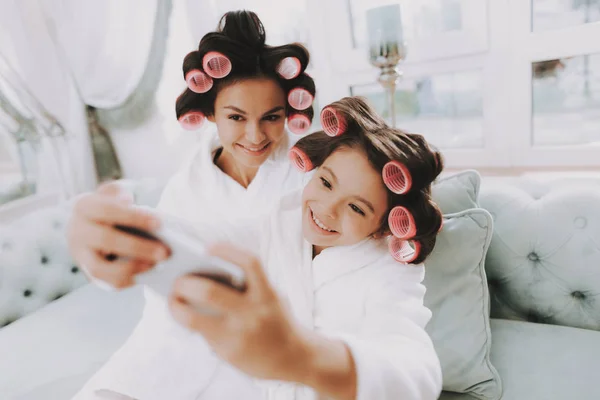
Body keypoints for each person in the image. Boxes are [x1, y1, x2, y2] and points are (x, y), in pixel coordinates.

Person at [72, 97, 444, 399]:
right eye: (326, 183)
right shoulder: (279, 223)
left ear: (382, 227)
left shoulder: (390, 272)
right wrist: (117, 229)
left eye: (357, 207)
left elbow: (418, 373)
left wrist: (301, 355)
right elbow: (203, 238)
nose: (326, 210)